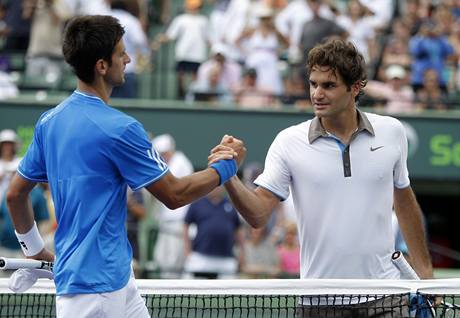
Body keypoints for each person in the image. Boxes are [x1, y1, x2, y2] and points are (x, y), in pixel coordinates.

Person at [6, 15, 245, 318]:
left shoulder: (48, 123)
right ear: (102, 66)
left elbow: (14, 195)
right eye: (121, 53)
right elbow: (175, 194)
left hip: (116, 280)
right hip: (95, 292)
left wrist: (34, 250)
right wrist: (227, 167)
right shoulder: (120, 129)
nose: (128, 59)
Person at [217, 39, 433, 317]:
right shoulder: (288, 141)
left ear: (355, 88)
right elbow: (258, 215)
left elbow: (403, 200)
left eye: (328, 85)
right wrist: (229, 177)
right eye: (313, 84)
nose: (317, 93)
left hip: (385, 295)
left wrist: (425, 273)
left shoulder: (392, 131)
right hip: (319, 300)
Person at [151, 134, 193, 278]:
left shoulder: (180, 163)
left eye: (162, 154)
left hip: (178, 224)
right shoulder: (170, 163)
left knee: (174, 263)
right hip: (166, 223)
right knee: (162, 259)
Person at [182, 186, 244, 279]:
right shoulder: (197, 203)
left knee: (230, 290)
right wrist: (187, 251)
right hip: (201, 257)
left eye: (219, 185)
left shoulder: (231, 204)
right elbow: (185, 225)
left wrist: (242, 253)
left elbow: (238, 229)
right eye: (213, 185)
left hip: (226, 258)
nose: (216, 188)